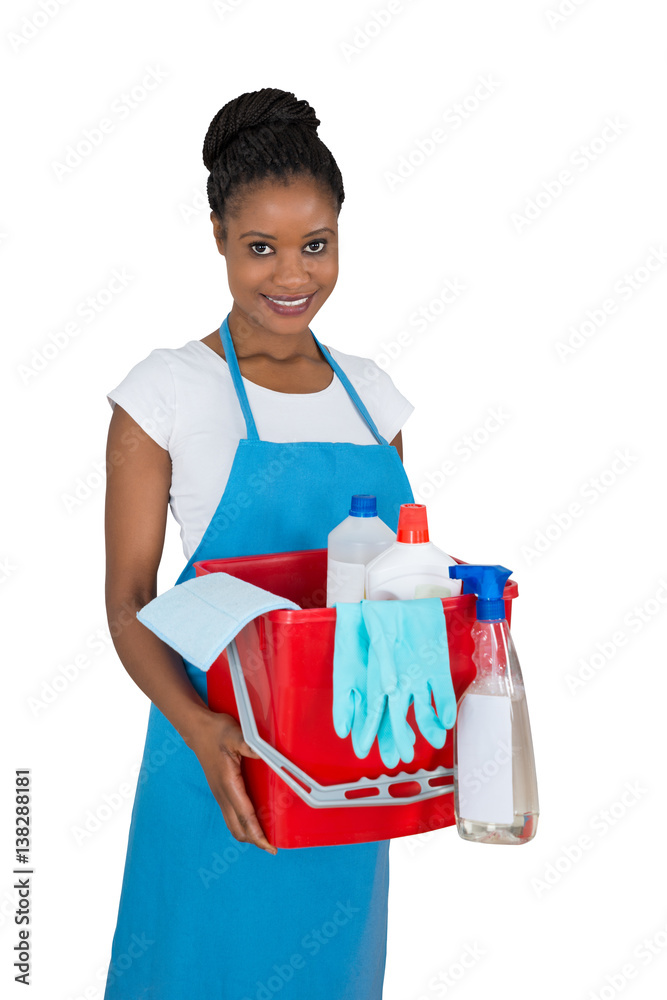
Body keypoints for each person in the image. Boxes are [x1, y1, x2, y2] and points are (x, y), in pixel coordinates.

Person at [103, 87, 415, 999]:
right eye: (261, 248)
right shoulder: (163, 391)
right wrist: (202, 734)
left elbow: (398, 582)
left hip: (349, 771)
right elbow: (128, 601)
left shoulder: (373, 397)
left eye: (315, 245)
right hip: (214, 759)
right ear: (217, 238)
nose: (292, 275)